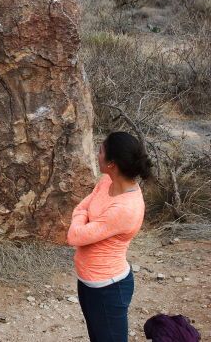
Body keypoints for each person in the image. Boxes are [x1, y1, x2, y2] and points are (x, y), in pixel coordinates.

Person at [67, 131, 151, 342]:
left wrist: (80, 215)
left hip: (108, 288)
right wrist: (82, 213)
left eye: (101, 150)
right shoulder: (107, 181)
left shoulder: (126, 207)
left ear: (112, 163)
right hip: (88, 282)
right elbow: (83, 205)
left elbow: (75, 236)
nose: (97, 154)